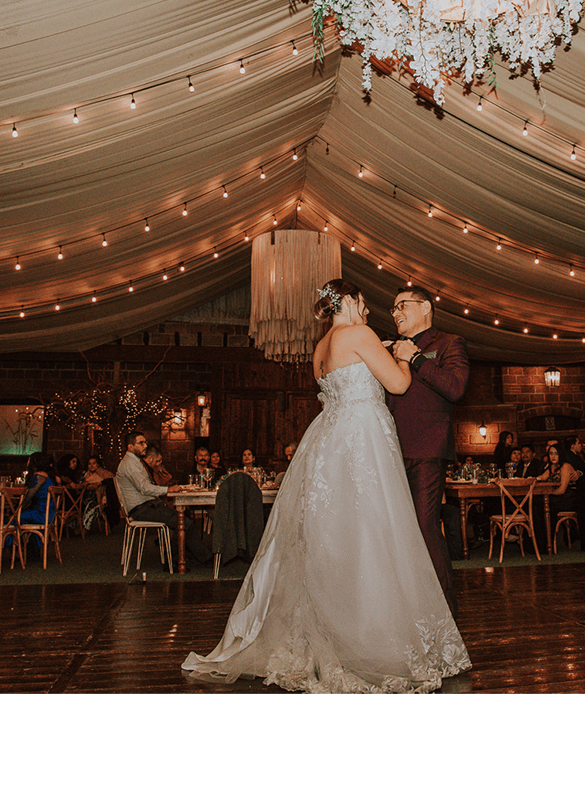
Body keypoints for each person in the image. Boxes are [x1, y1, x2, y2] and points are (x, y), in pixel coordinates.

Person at [183, 279, 470, 692]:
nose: (371, 312)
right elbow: (399, 386)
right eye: (366, 303)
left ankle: (334, 627)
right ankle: (371, 634)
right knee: (374, 536)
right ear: (350, 301)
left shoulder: (320, 347)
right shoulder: (359, 334)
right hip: (362, 442)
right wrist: (405, 358)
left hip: (329, 443)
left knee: (335, 540)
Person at [385, 285, 470, 616]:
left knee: (424, 525)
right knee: (396, 530)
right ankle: (408, 608)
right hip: (390, 452)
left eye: (401, 305)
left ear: (425, 308)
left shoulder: (449, 343)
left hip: (427, 450)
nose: (395, 313)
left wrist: (416, 359)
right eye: (392, 309)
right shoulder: (389, 349)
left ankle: (446, 612)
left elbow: (455, 388)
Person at [115, 432, 211, 563]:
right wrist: (168, 490)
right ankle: (177, 560)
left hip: (148, 505)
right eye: (141, 443)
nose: (145, 445)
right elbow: (144, 488)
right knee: (182, 522)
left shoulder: (135, 462)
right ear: (130, 446)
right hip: (141, 509)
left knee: (183, 518)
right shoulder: (130, 464)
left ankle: (188, 554)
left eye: (145, 442)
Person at [546, 444, 585, 552]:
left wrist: (547, 494)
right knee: (540, 504)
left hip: (569, 498)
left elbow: (562, 490)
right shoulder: (550, 467)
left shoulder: (565, 465)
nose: (553, 456)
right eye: (551, 453)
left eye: (556, 453)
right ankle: (544, 543)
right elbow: (542, 476)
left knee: (546, 505)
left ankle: (547, 544)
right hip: (559, 497)